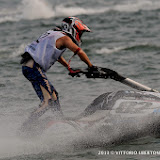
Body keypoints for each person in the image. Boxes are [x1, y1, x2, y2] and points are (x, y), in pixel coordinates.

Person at [20, 17, 94, 119]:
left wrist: (68, 68)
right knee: (48, 101)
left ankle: (59, 119)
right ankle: (27, 127)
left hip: (29, 66)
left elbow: (57, 56)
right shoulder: (65, 38)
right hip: (33, 67)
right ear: (73, 29)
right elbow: (79, 51)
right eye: (80, 33)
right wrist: (91, 66)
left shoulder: (54, 33)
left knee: (54, 96)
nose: (80, 36)